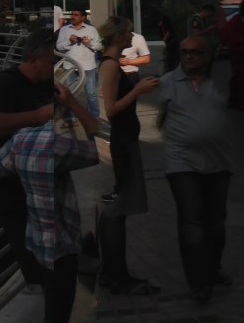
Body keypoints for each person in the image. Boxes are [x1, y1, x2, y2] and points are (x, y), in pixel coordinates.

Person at [0, 79, 100, 323]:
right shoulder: (59, 145)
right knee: (59, 311)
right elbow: (102, 143)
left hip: (38, 245)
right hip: (63, 246)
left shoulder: (21, 140)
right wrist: (73, 104)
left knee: (51, 304)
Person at [0, 28, 59, 290]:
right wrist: (37, 116)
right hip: (13, 190)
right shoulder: (5, 83)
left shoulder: (48, 83)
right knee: (29, 258)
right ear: (34, 60)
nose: (56, 67)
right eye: (52, 61)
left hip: (40, 188)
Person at [157, 36, 235, 305]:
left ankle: (213, 268)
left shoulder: (221, 81)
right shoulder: (167, 82)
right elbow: (160, 117)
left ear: (208, 55)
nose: (189, 57)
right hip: (182, 163)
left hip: (218, 162)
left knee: (216, 224)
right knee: (191, 222)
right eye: (185, 52)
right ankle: (199, 282)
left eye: (196, 52)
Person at [96, 15, 161, 295]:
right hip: (123, 141)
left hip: (125, 139)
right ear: (118, 36)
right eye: (129, 32)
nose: (132, 36)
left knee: (116, 207)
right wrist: (138, 90)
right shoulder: (111, 65)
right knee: (117, 209)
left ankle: (110, 272)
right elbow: (111, 109)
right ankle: (117, 275)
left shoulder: (112, 63)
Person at [56, 9, 102, 117]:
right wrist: (69, 41)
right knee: (70, 94)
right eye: (72, 14)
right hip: (70, 67)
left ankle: (94, 116)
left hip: (88, 67)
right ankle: (71, 117)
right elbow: (58, 47)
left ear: (83, 17)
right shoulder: (64, 29)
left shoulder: (91, 29)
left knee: (91, 93)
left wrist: (89, 43)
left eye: (76, 15)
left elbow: (100, 46)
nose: (73, 16)